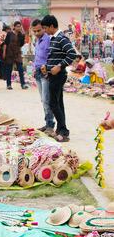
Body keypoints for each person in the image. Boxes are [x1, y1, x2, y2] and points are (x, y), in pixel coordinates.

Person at [41, 15, 77, 143]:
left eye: (45, 28)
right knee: (58, 103)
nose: (44, 31)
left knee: (53, 103)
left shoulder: (61, 38)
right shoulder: (53, 39)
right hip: (52, 75)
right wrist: (47, 67)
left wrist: (60, 66)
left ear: (51, 26)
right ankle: (61, 130)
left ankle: (64, 132)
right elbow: (54, 57)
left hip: (59, 75)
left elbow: (72, 54)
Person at [32, 19, 55, 135]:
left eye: (38, 30)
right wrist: (34, 69)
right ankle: (47, 124)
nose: (36, 33)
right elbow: (37, 56)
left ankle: (50, 125)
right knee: (43, 100)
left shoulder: (48, 39)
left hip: (45, 72)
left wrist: (47, 69)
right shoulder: (37, 40)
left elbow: (50, 56)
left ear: (43, 28)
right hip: (37, 71)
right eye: (34, 31)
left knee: (47, 100)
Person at [3, 21, 28, 90]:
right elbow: (6, 43)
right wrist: (4, 52)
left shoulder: (21, 35)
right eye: (17, 26)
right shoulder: (9, 34)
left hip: (17, 53)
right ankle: (8, 84)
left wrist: (23, 36)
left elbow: (21, 44)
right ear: (14, 27)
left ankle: (23, 84)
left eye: (20, 26)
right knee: (9, 69)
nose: (19, 27)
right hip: (9, 53)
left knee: (20, 69)